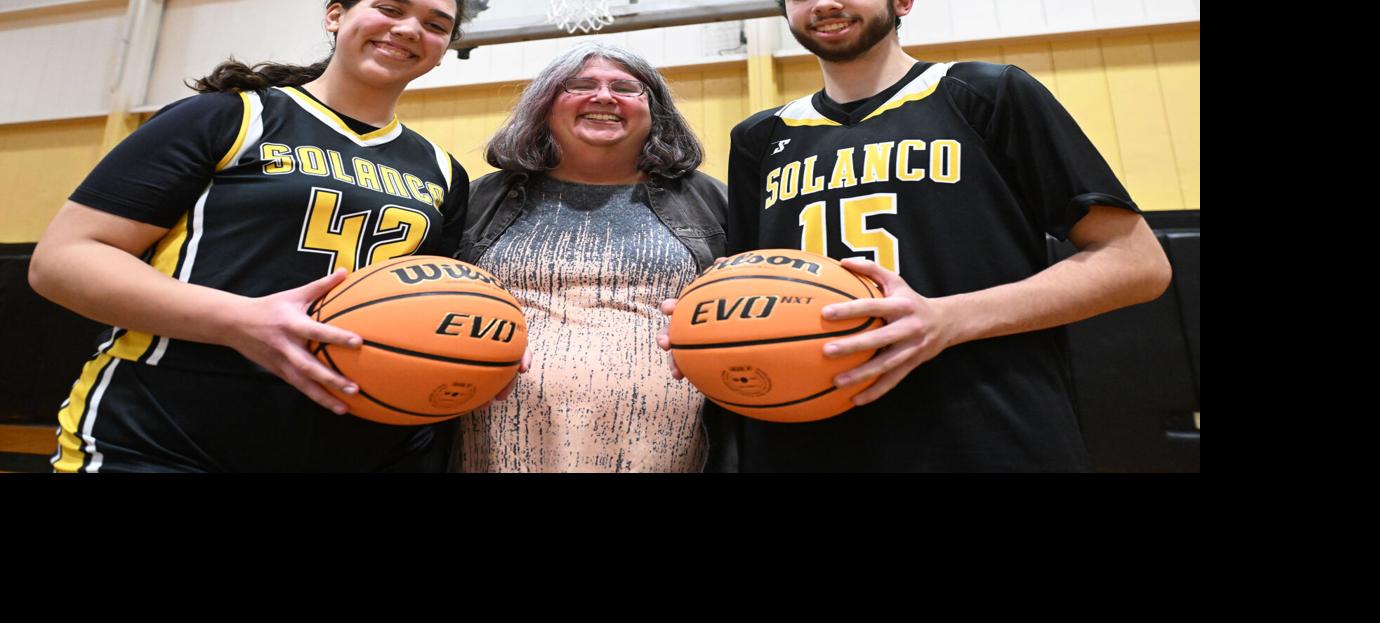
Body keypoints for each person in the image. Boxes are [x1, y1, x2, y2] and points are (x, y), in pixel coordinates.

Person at [661, 0, 1174, 471]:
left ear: (903, 1)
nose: (825, 3)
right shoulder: (760, 137)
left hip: (986, 431)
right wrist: (710, 331)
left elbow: (1136, 264)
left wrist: (946, 319)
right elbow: (755, 287)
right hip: (808, 441)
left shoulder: (986, 94)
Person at [31, 0, 472, 472]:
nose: (409, 29)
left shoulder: (443, 172)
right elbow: (61, 260)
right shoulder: (228, 117)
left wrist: (473, 363)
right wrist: (240, 320)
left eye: (434, 25)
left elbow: (431, 311)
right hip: (158, 435)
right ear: (335, 15)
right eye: (390, 8)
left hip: (342, 444)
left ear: (443, 50)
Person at [454, 45, 727, 473]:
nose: (603, 96)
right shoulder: (479, 198)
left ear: (655, 110)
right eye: (580, 86)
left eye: (626, 88)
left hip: (666, 451)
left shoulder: (711, 200)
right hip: (494, 446)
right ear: (544, 105)